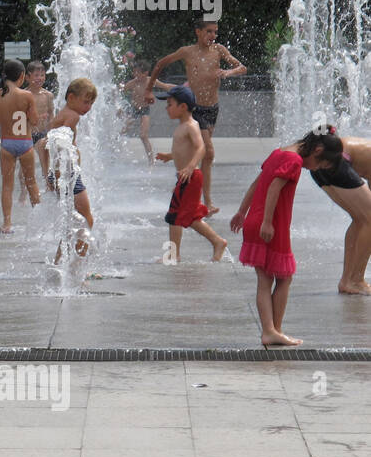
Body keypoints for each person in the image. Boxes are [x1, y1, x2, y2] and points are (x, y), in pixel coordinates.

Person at [229, 129, 344, 346]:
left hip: (255, 220)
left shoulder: (279, 152)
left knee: (266, 280)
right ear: (317, 150)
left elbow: (257, 183)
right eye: (320, 164)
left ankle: (271, 331)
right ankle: (273, 330)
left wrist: (242, 212)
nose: (316, 169)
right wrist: (267, 221)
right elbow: (274, 188)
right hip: (270, 224)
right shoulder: (294, 160)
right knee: (284, 278)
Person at [144, 20, 247, 214]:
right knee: (208, 151)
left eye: (215, 32)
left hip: (212, 108)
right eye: (208, 31)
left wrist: (229, 71)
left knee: (203, 154)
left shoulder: (219, 50)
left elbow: (242, 68)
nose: (213, 36)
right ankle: (205, 201)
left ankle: (198, 197)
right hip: (195, 107)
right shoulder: (187, 51)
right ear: (198, 32)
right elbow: (161, 63)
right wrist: (148, 90)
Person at [154, 85, 230, 262]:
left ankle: (217, 242)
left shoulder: (191, 125)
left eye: (170, 104)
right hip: (185, 177)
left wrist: (190, 167)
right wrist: (170, 156)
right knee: (176, 216)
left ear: (183, 107)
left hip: (191, 177)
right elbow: (184, 150)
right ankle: (175, 254)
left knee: (183, 217)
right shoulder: (183, 126)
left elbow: (201, 147)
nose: (167, 108)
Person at [309, 134, 371, 294]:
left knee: (360, 219)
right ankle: (356, 280)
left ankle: (347, 281)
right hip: (335, 161)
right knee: (368, 219)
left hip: (321, 165)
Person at [45, 78, 97, 257]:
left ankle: (60, 261)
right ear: (71, 97)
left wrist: (50, 175)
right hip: (68, 175)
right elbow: (60, 142)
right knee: (86, 219)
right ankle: (78, 266)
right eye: (85, 101)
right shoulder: (72, 117)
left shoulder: (62, 114)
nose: (88, 106)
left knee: (72, 222)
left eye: (91, 103)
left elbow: (48, 143)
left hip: (61, 174)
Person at [0, 59, 41, 234]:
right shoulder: (26, 96)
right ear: (21, 76)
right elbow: (34, 120)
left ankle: (7, 224)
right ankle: (40, 220)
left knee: (7, 185)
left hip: (7, 143)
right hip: (25, 142)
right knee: (31, 182)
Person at [122, 60, 171, 165]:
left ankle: (151, 161)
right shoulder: (132, 83)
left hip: (145, 110)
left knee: (143, 135)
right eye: (134, 72)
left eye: (138, 72)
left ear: (146, 73)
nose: (135, 75)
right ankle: (111, 155)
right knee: (122, 132)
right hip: (133, 110)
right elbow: (119, 91)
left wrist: (182, 87)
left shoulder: (150, 81)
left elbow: (166, 86)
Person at [26, 60, 54, 180]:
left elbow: (51, 114)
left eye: (42, 75)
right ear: (28, 77)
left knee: (45, 162)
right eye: (36, 75)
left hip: (42, 133)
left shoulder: (47, 95)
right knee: (26, 166)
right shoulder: (25, 95)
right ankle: (23, 191)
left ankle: (48, 183)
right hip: (27, 134)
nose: (39, 78)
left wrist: (52, 132)